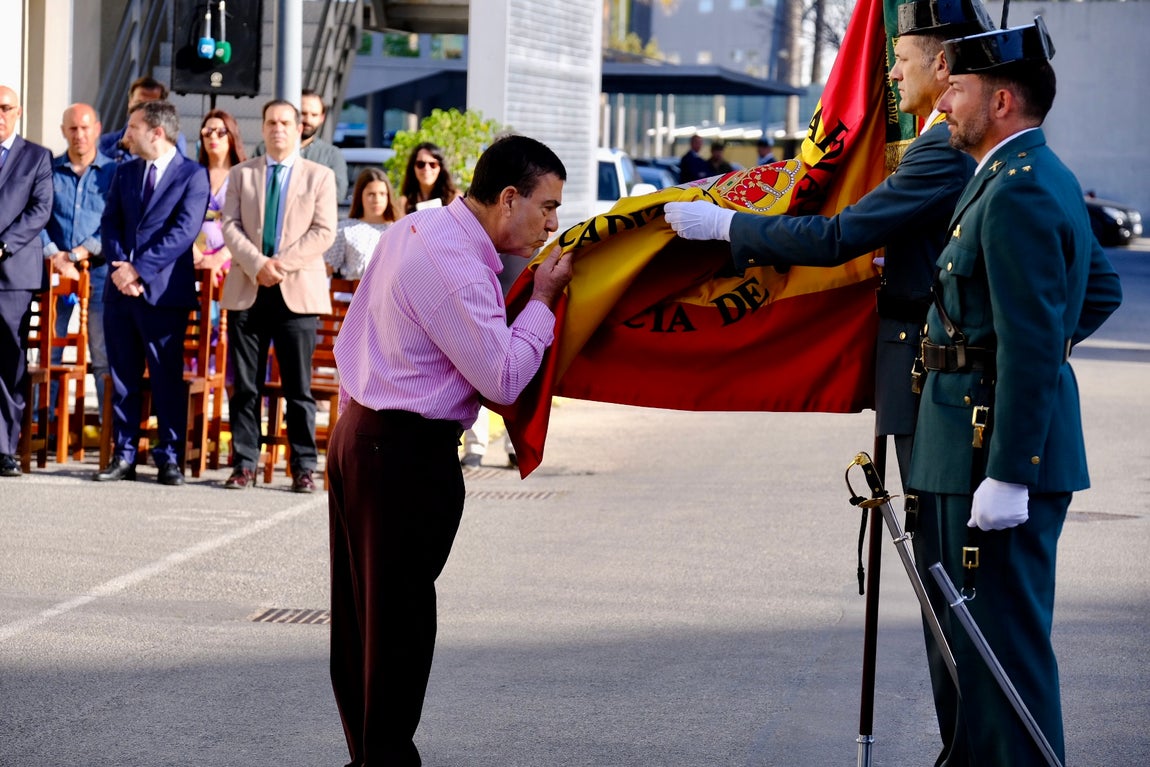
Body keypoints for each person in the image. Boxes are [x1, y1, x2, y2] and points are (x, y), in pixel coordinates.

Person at [665, 0, 994, 760]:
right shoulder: (933, 146)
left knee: (949, 577)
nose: (890, 75)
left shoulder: (943, 151)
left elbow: (843, 234)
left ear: (942, 64)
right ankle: (966, 742)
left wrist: (729, 226)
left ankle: (971, 745)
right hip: (918, 371)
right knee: (943, 574)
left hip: (936, 383)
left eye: (900, 61)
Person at [908, 17, 1122, 766]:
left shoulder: (1019, 191)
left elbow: (1036, 340)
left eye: (956, 89)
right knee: (981, 647)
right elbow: (1094, 293)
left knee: (1003, 655)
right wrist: (1028, 356)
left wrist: (1008, 467)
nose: (942, 105)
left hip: (985, 452)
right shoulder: (1025, 174)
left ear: (1002, 100)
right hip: (972, 440)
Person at [327, 133, 573, 765]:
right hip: (402, 451)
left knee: (365, 622)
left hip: (365, 434)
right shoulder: (455, 263)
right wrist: (543, 301)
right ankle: (383, 759)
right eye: (547, 207)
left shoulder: (418, 228)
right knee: (399, 627)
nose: (554, 222)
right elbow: (502, 379)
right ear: (509, 198)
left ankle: (371, 755)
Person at [220, 99, 337, 492]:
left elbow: (323, 231)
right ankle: (244, 463)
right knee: (246, 387)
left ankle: (303, 466)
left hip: (296, 293)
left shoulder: (319, 176)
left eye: (286, 122)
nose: (278, 129)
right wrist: (258, 264)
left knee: (298, 388)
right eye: (271, 122)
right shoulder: (241, 174)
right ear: (263, 128)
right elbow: (229, 225)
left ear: (299, 127)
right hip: (249, 290)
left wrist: (280, 265)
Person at [94, 100, 210, 486]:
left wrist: (138, 269)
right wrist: (120, 268)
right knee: (123, 376)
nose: (126, 135)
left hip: (162, 294)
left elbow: (183, 232)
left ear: (156, 132)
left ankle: (169, 456)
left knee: (164, 377)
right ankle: (124, 454)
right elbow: (109, 223)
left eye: (132, 127)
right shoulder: (125, 173)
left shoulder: (192, 176)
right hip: (120, 293)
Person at [41, 103, 117, 428]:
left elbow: (115, 220)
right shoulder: (48, 170)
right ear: (63, 131)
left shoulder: (114, 172)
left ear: (97, 129)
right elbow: (36, 216)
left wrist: (79, 254)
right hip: (55, 273)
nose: (79, 135)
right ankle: (41, 425)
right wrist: (54, 255)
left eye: (85, 128)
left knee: (101, 354)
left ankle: (108, 433)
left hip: (98, 273)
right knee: (50, 353)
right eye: (72, 128)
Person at [0, 85, 53, 478]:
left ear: (19, 112)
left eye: (4, 108)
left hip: (12, 273)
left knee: (7, 359)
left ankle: (4, 447)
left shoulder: (36, 157)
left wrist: (3, 245)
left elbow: (40, 210)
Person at [254, 89, 348, 202]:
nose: (308, 120)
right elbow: (253, 185)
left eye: (314, 115)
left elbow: (336, 194)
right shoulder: (265, 148)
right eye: (303, 113)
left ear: (321, 118)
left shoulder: (332, 154)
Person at [194, 109, 247, 276]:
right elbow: (182, 220)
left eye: (221, 132)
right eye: (207, 132)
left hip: (232, 261)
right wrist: (197, 258)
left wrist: (219, 258)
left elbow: (249, 225)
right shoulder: (192, 175)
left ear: (232, 136)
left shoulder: (244, 175)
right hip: (195, 261)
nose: (213, 137)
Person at [324, 167, 399, 280]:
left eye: (382, 194)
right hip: (353, 293)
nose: (377, 200)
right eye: (371, 194)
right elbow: (326, 271)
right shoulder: (345, 229)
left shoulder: (398, 230)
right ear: (360, 196)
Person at [98, 76, 188, 162]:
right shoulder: (108, 141)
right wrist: (120, 146)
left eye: (151, 105)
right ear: (130, 103)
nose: (143, 110)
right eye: (139, 103)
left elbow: (180, 169)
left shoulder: (173, 139)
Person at [398, 141, 459, 215]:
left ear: (441, 168)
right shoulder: (403, 203)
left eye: (433, 164)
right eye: (420, 164)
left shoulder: (454, 199)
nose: (426, 168)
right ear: (413, 168)